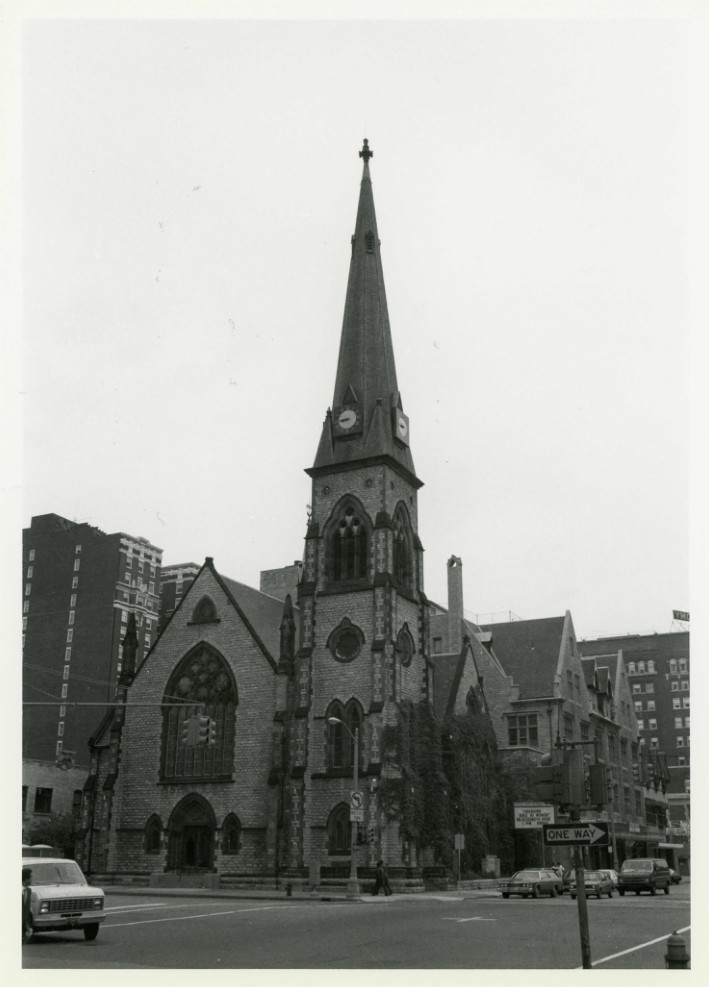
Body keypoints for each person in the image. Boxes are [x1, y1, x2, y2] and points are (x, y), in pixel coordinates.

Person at [22, 867, 32, 942]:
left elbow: (27, 909)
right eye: (30, 877)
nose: (32, 880)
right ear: (25, 879)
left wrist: (27, 926)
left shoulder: (29, 890)